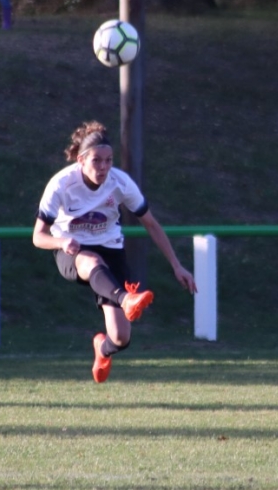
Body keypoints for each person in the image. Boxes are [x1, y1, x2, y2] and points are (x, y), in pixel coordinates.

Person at [32, 121, 197, 383]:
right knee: (91, 260)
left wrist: (177, 265)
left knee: (121, 338)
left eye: (108, 160)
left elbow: (151, 224)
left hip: (110, 248)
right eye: (97, 161)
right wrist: (61, 243)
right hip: (71, 249)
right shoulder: (61, 184)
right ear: (81, 160)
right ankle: (125, 299)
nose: (103, 167)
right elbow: (38, 237)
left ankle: (102, 349)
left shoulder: (120, 182)